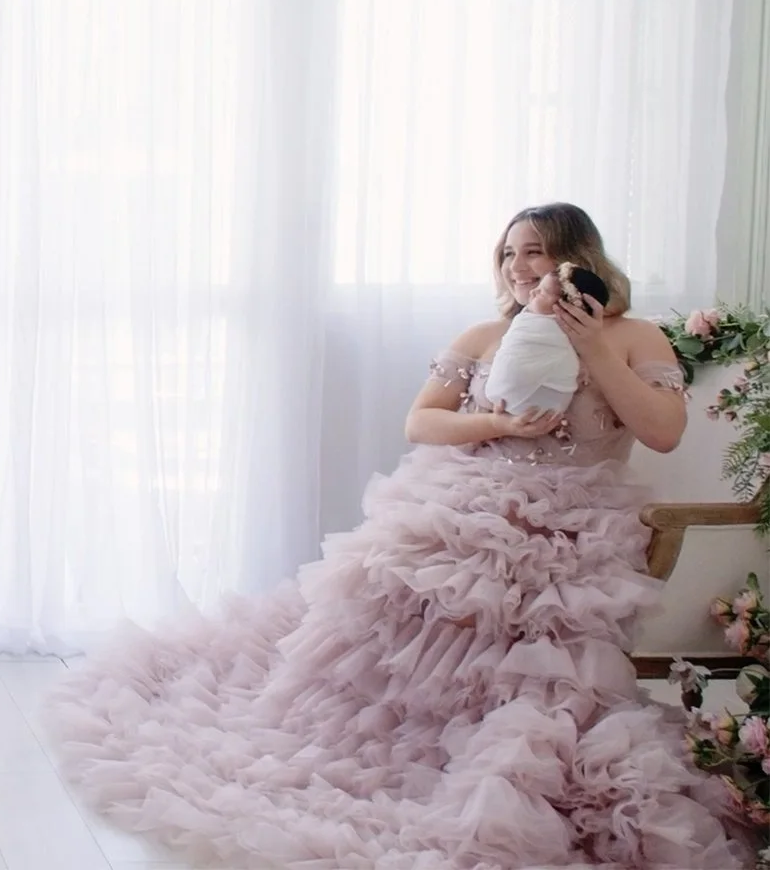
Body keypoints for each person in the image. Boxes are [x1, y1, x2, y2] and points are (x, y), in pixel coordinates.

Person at [42, 203, 749, 868]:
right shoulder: (486, 337)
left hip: (574, 521)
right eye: (508, 253)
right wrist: (497, 424)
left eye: (534, 252)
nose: (517, 266)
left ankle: (486, 748)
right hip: (467, 496)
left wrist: (592, 346)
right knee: (399, 578)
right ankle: (389, 736)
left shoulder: (634, 336)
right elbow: (422, 421)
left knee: (532, 639)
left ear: (576, 258)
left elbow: (661, 432)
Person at [484, 261, 610, 418]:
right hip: (517, 401)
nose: (532, 292)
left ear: (566, 308)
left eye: (541, 293)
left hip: (543, 400)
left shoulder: (555, 329)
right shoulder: (526, 320)